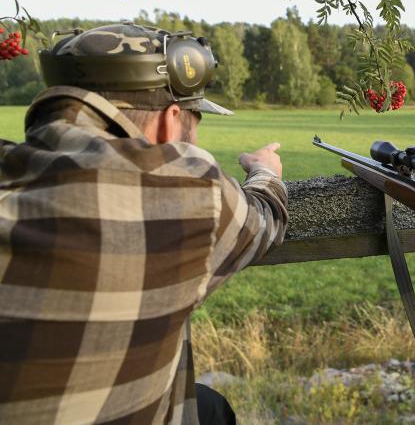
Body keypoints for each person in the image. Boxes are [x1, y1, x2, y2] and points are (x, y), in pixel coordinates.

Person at [0, 23, 288, 424]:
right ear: (171, 122)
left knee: (206, 404)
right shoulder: (187, 191)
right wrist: (265, 172)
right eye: (194, 122)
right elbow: (264, 218)